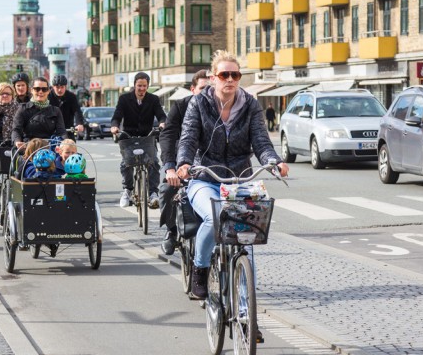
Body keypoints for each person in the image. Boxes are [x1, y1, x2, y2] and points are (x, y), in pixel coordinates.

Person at [176, 50, 289, 306]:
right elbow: (188, 137)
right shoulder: (199, 103)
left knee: (246, 239)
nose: (230, 79)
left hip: (240, 178)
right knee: (212, 217)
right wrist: (183, 164)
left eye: (235, 75)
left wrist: (274, 162)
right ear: (214, 78)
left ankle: (246, 309)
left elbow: (261, 141)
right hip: (205, 176)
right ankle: (201, 269)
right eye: (224, 74)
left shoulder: (249, 104)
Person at [158, 69, 209, 255]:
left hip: (209, 166)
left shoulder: (219, 106)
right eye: (202, 88)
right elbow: (168, 136)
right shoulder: (180, 106)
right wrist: (170, 167)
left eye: (209, 88)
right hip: (183, 164)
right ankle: (171, 232)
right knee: (167, 191)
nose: (206, 92)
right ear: (193, 89)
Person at [110, 71, 167, 209]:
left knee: (153, 162)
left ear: (147, 86)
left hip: (147, 137)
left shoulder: (153, 99)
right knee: (126, 164)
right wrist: (114, 127)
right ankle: (128, 190)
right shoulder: (124, 99)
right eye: (139, 86)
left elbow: (161, 115)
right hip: (128, 137)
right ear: (134, 85)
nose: (142, 89)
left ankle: (153, 193)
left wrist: (162, 123)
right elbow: (117, 116)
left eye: (144, 86)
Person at [11, 76, 66, 149]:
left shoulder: (56, 111)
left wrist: (65, 142)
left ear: (49, 91)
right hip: (28, 149)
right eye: (37, 89)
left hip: (49, 148)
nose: (40, 92)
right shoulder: (23, 109)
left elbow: (61, 132)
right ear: (31, 90)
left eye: (44, 89)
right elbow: (16, 130)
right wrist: (17, 141)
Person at [48, 75, 86, 140]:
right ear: (53, 87)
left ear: (65, 87)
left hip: (67, 129)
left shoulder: (71, 97)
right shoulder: (48, 97)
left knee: (70, 147)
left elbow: (77, 111)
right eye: (57, 87)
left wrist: (79, 123)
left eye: (62, 87)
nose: (60, 90)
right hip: (51, 130)